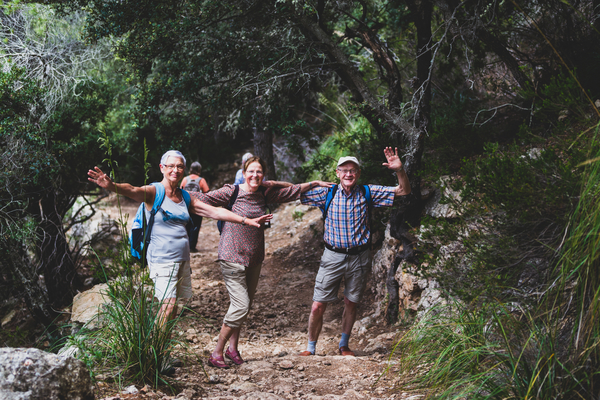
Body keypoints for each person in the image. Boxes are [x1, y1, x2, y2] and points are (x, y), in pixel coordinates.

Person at [87, 150, 272, 328]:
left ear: (184, 170)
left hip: (181, 259)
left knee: (173, 309)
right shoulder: (154, 192)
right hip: (161, 259)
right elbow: (132, 189)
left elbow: (215, 211)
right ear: (162, 168)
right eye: (171, 166)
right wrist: (112, 186)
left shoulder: (184, 196)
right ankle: (153, 354)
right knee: (168, 305)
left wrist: (246, 220)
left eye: (180, 167)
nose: (175, 170)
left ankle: (161, 350)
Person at [193, 156, 331, 368]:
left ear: (264, 175)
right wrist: (174, 193)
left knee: (243, 306)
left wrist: (314, 183)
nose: (255, 175)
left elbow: (292, 190)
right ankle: (217, 352)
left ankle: (233, 349)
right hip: (231, 255)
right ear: (244, 172)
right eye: (251, 171)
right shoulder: (233, 191)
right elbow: (203, 198)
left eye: (259, 172)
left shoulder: (265, 193)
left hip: (254, 257)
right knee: (241, 305)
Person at [298, 147, 411, 357]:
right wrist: (313, 183)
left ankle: (344, 345)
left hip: (359, 257)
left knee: (351, 302)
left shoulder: (368, 192)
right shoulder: (326, 193)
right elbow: (292, 193)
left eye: (353, 170)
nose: (348, 174)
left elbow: (403, 191)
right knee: (317, 305)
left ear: (358, 174)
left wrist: (400, 170)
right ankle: (311, 348)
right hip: (332, 256)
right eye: (344, 170)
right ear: (337, 173)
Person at [180, 161, 210, 252]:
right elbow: (206, 192)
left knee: (186, 226)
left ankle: (185, 246)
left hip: (186, 206)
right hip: (197, 207)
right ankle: (192, 247)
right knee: (195, 226)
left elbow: (181, 190)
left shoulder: (185, 179)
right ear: (199, 170)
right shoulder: (201, 180)